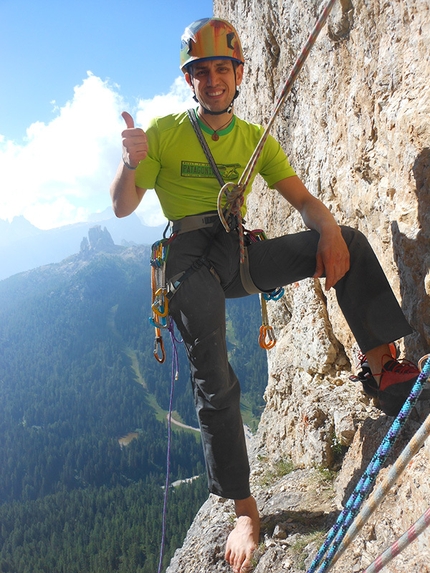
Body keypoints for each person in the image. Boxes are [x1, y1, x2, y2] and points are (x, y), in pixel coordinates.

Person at [110, 18, 423, 573]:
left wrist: (326, 230)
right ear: (190, 81)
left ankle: (384, 369)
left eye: (221, 70)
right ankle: (244, 509)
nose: (212, 80)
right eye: (201, 71)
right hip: (186, 261)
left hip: (236, 253)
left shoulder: (256, 140)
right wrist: (131, 163)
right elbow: (123, 206)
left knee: (344, 240)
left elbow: (301, 198)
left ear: (239, 74)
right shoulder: (162, 133)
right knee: (215, 374)